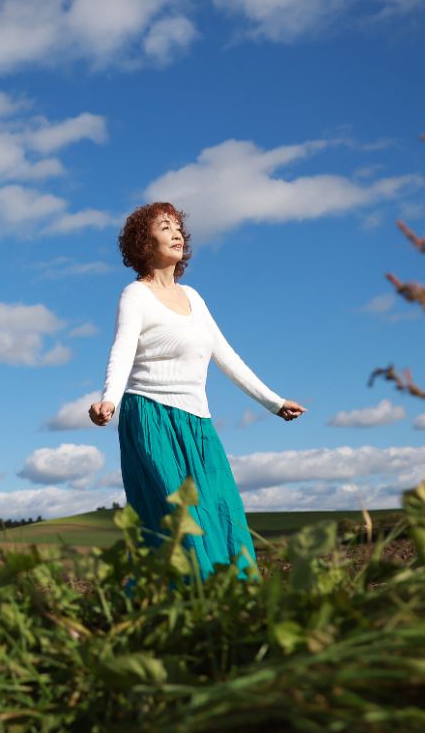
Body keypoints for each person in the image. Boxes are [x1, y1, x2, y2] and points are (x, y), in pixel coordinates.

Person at [88, 201, 305, 579]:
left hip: (198, 423)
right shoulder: (135, 294)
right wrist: (109, 399)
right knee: (180, 522)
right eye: (164, 227)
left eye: (178, 228)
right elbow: (122, 350)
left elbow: (226, 356)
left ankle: (235, 599)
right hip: (151, 416)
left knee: (223, 512)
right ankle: (182, 602)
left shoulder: (194, 297)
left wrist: (273, 402)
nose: (176, 234)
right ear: (144, 242)